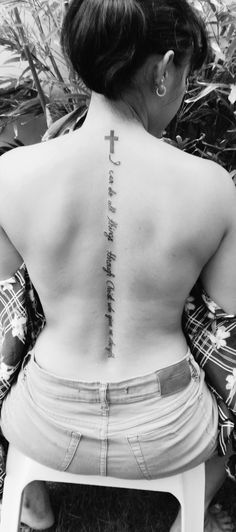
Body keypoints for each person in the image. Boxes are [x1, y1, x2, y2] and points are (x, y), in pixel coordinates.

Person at [0, 0, 235, 530]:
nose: (182, 89)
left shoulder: (11, 176)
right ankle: (188, 514)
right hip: (170, 425)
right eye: (185, 74)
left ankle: (30, 504)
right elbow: (228, 322)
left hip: (45, 420)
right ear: (162, 68)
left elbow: (8, 302)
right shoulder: (212, 187)